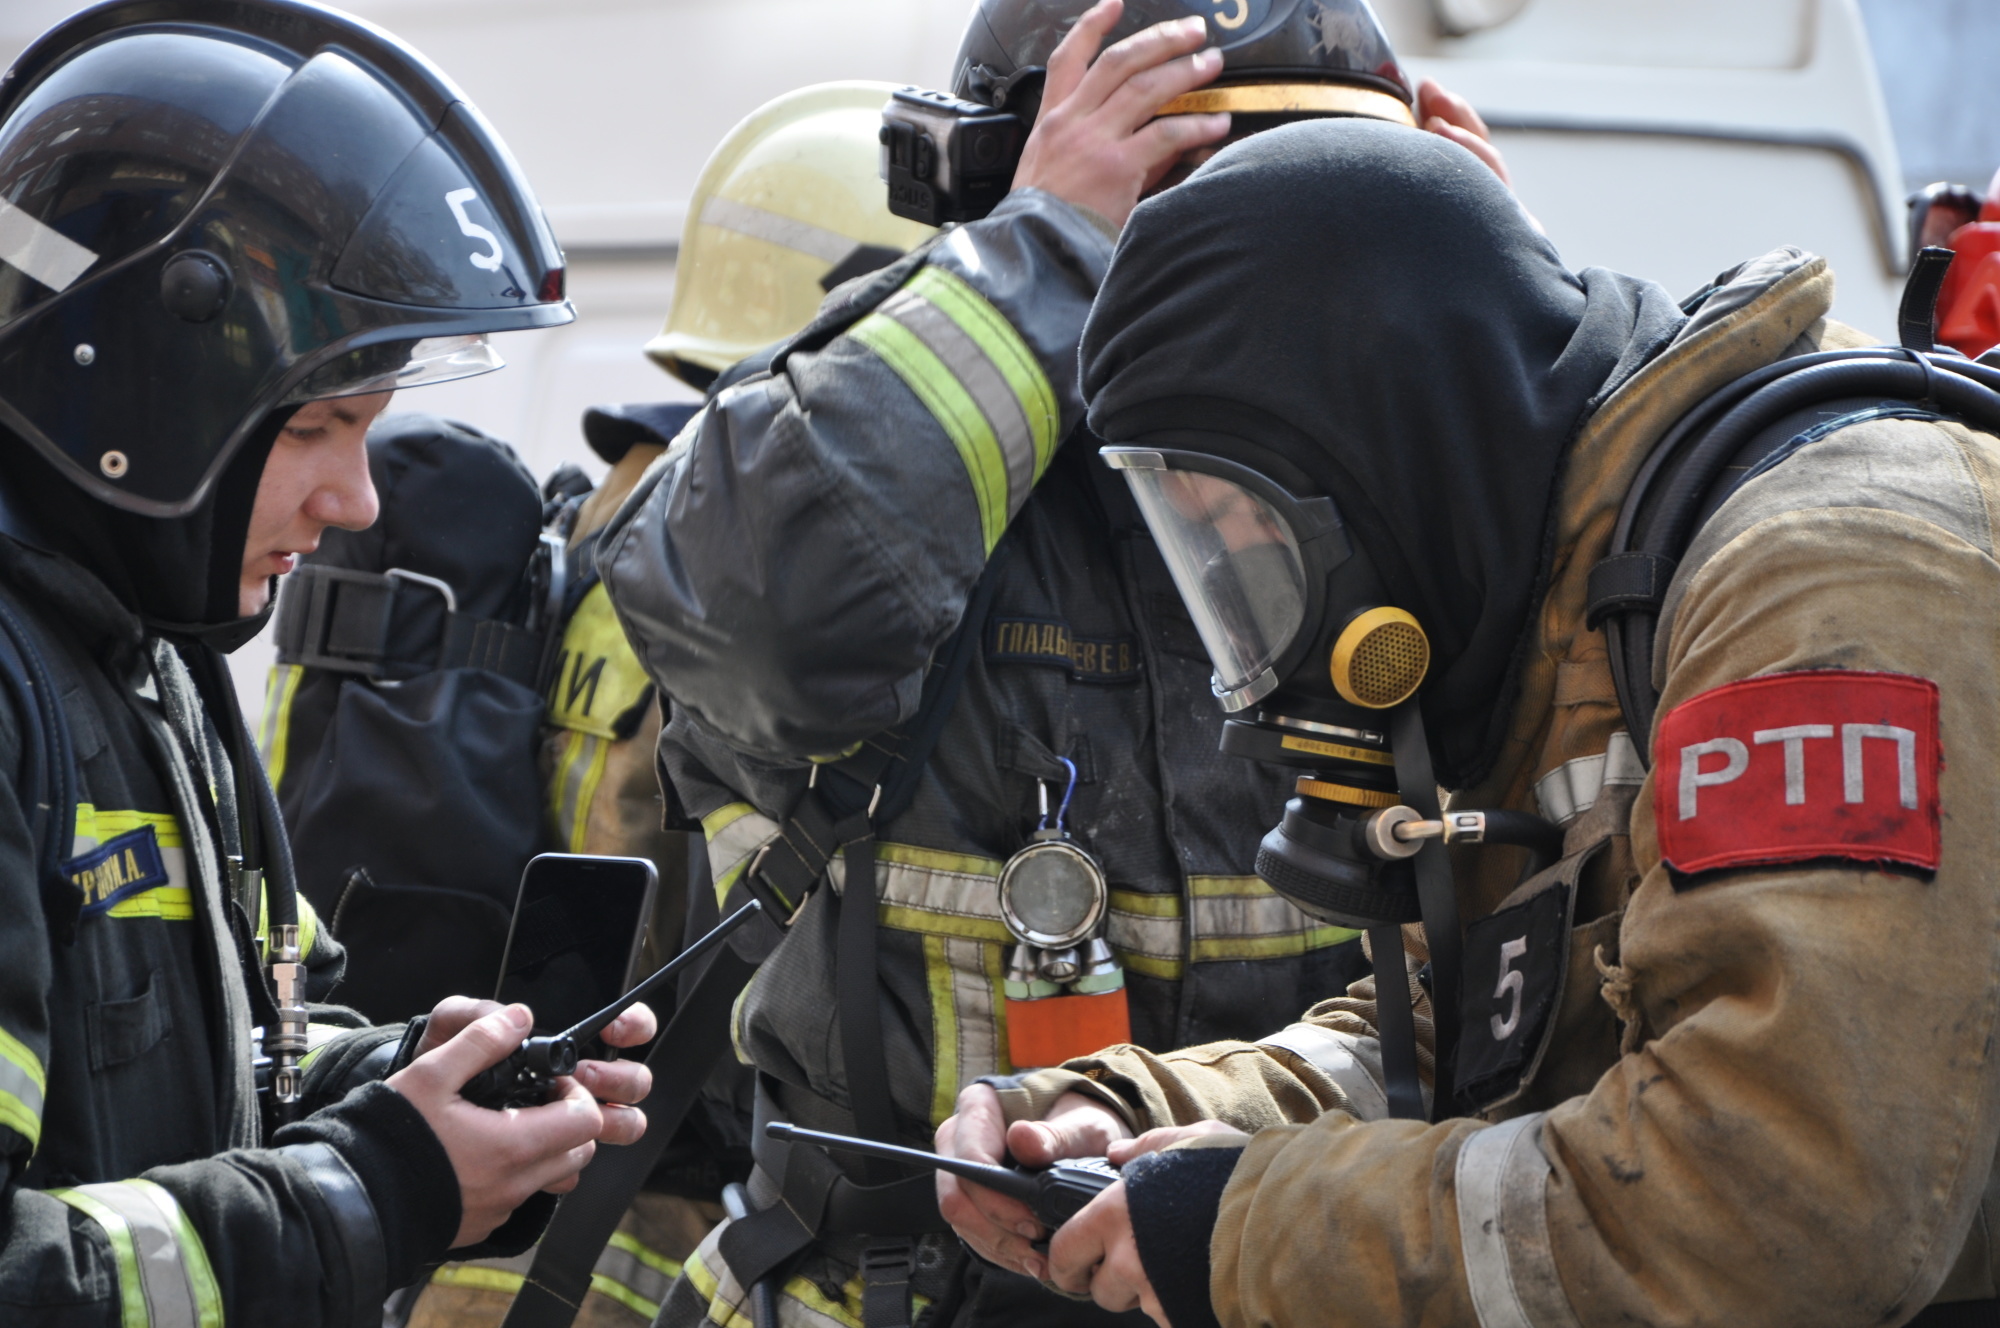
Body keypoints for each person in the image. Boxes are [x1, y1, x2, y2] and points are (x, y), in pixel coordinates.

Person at [933, 103, 2000, 1328]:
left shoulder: (1829, 574)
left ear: (1391, 442)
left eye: (1253, 539)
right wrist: (1149, 1119)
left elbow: (1775, 1209)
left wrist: (1243, 1228)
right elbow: (1469, 1031)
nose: (1260, 637)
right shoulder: (1564, 604)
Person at [595, 1, 1512, 1324]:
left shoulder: (1423, 493)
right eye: (1163, 192)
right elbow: (751, 610)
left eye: (1298, 192)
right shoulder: (918, 474)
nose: (1243, 254)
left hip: (1298, 1276)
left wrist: (1486, 310)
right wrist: (1041, 252)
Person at [0, 3, 659, 1322]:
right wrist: (380, 1190)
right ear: (135, 400)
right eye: (316, 427)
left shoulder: (157, 668)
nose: (355, 499)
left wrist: (425, 1084)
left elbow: (268, 1048)